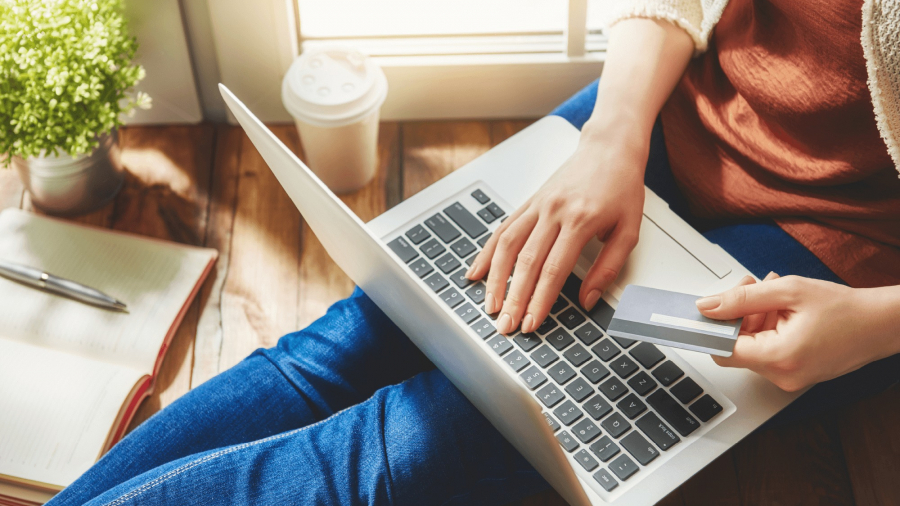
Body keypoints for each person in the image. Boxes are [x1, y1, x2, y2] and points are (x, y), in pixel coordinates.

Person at [48, 1, 900, 505]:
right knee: (343, 348)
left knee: (403, 447)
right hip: (669, 114)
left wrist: (873, 324)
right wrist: (613, 136)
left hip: (849, 253)